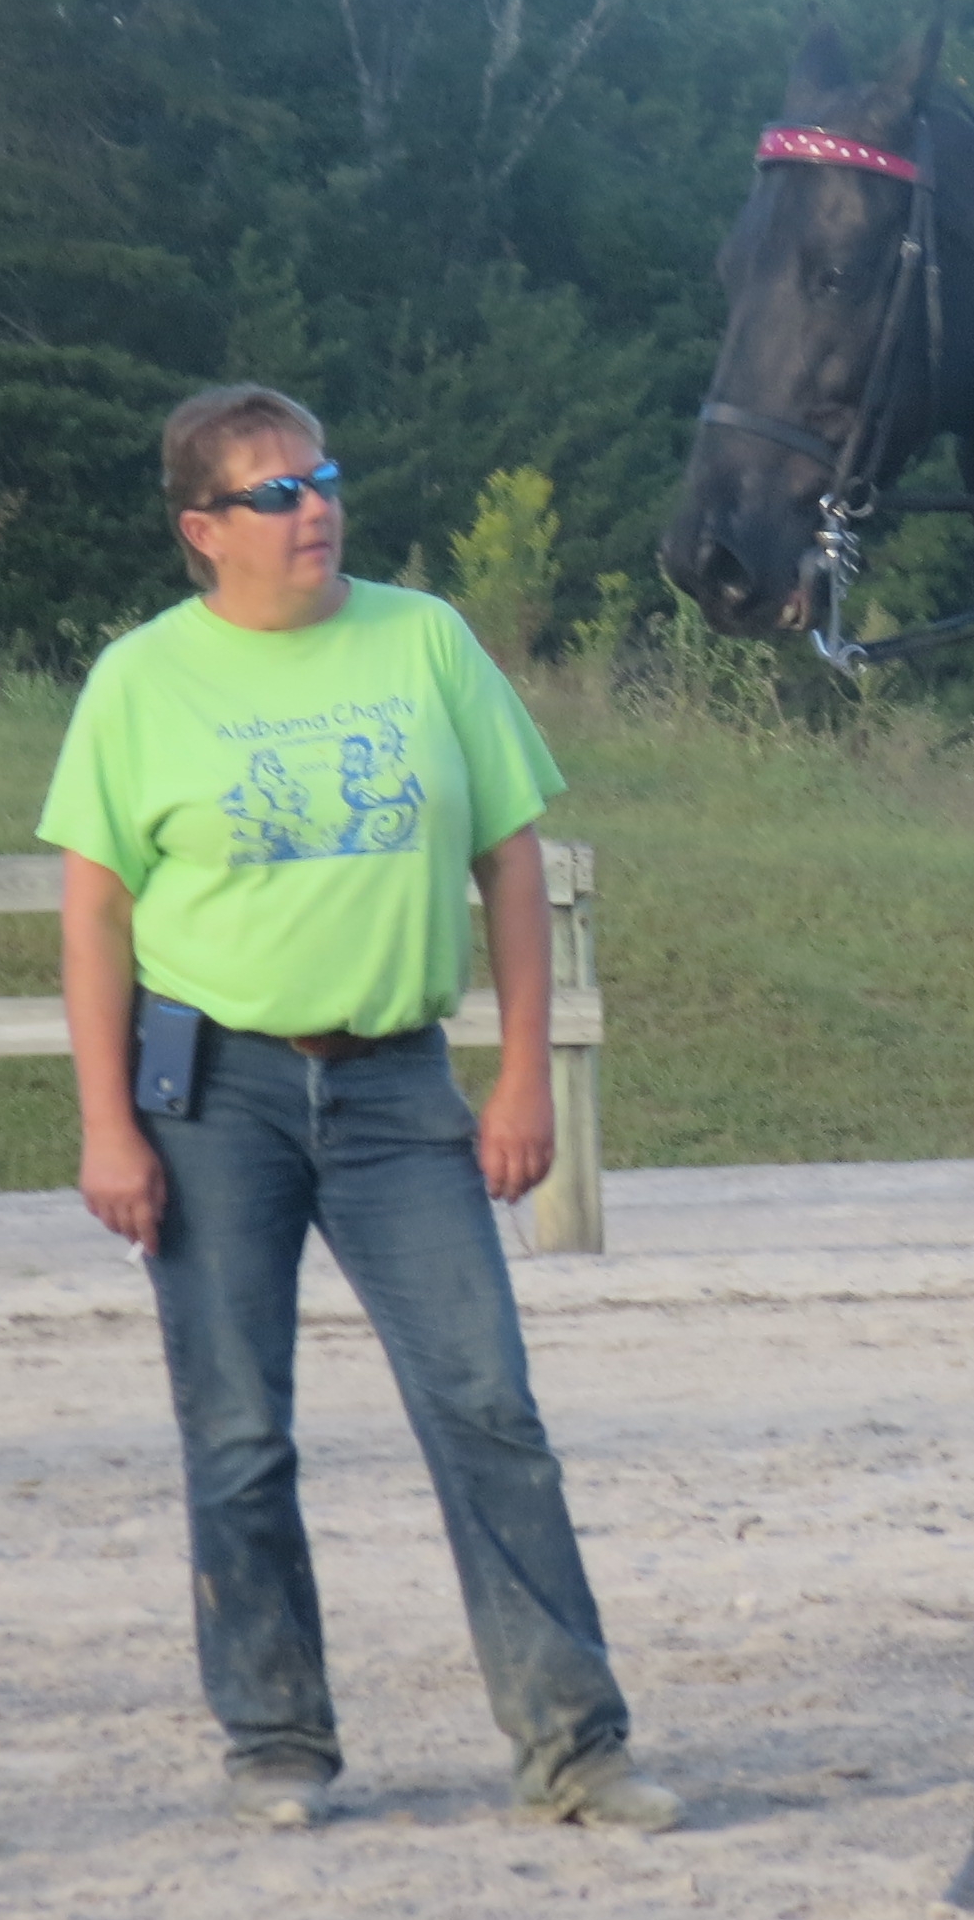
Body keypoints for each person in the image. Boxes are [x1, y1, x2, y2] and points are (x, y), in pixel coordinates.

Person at [38, 382, 680, 1833]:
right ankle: (278, 1739)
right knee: (238, 1429)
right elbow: (95, 912)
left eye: (323, 478)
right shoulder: (140, 680)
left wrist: (520, 1072)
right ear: (204, 528)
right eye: (275, 493)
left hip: (396, 1084)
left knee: (487, 1404)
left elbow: (511, 858)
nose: (314, 508)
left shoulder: (425, 639)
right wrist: (106, 1124)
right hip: (211, 1091)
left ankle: (574, 1747)